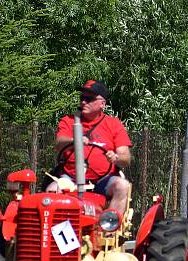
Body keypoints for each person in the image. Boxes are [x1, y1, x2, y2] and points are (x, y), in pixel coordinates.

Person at [48, 80, 132, 216]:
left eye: (89, 99)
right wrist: (75, 140)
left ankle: (109, 230)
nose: (83, 102)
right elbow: (59, 143)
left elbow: (125, 158)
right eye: (82, 98)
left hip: (103, 182)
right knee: (52, 190)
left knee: (122, 186)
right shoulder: (69, 121)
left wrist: (116, 158)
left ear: (102, 104)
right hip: (71, 180)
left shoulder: (113, 124)